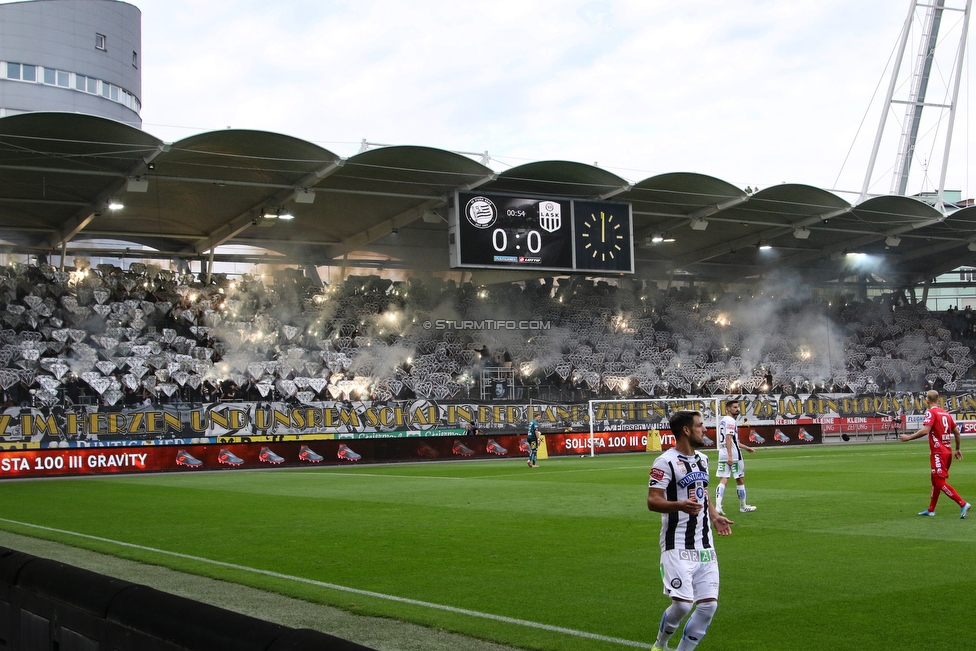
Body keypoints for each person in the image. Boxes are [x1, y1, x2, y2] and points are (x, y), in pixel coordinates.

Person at [648, 410, 734, 651]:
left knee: (708, 606)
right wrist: (679, 505)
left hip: (704, 544)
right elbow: (653, 500)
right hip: (677, 544)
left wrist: (715, 516)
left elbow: (702, 492)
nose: (705, 429)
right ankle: (660, 644)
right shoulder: (664, 462)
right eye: (700, 425)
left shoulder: (703, 460)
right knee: (684, 605)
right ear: (686, 430)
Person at [900, 390, 972, 518]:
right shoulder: (945, 413)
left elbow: (925, 430)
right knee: (935, 481)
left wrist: (909, 437)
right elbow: (957, 432)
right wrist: (958, 449)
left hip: (938, 452)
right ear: (939, 400)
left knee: (939, 482)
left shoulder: (931, 412)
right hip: (948, 451)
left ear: (927, 401)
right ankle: (931, 509)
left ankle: (962, 503)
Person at [714, 398, 757, 514]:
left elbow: (732, 440)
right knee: (740, 479)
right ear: (728, 409)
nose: (737, 409)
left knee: (723, 479)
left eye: (737, 407)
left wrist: (747, 448)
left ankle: (718, 506)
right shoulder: (731, 421)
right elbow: (728, 438)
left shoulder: (723, 421)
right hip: (733, 454)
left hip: (722, 453)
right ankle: (743, 506)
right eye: (734, 407)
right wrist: (730, 456)